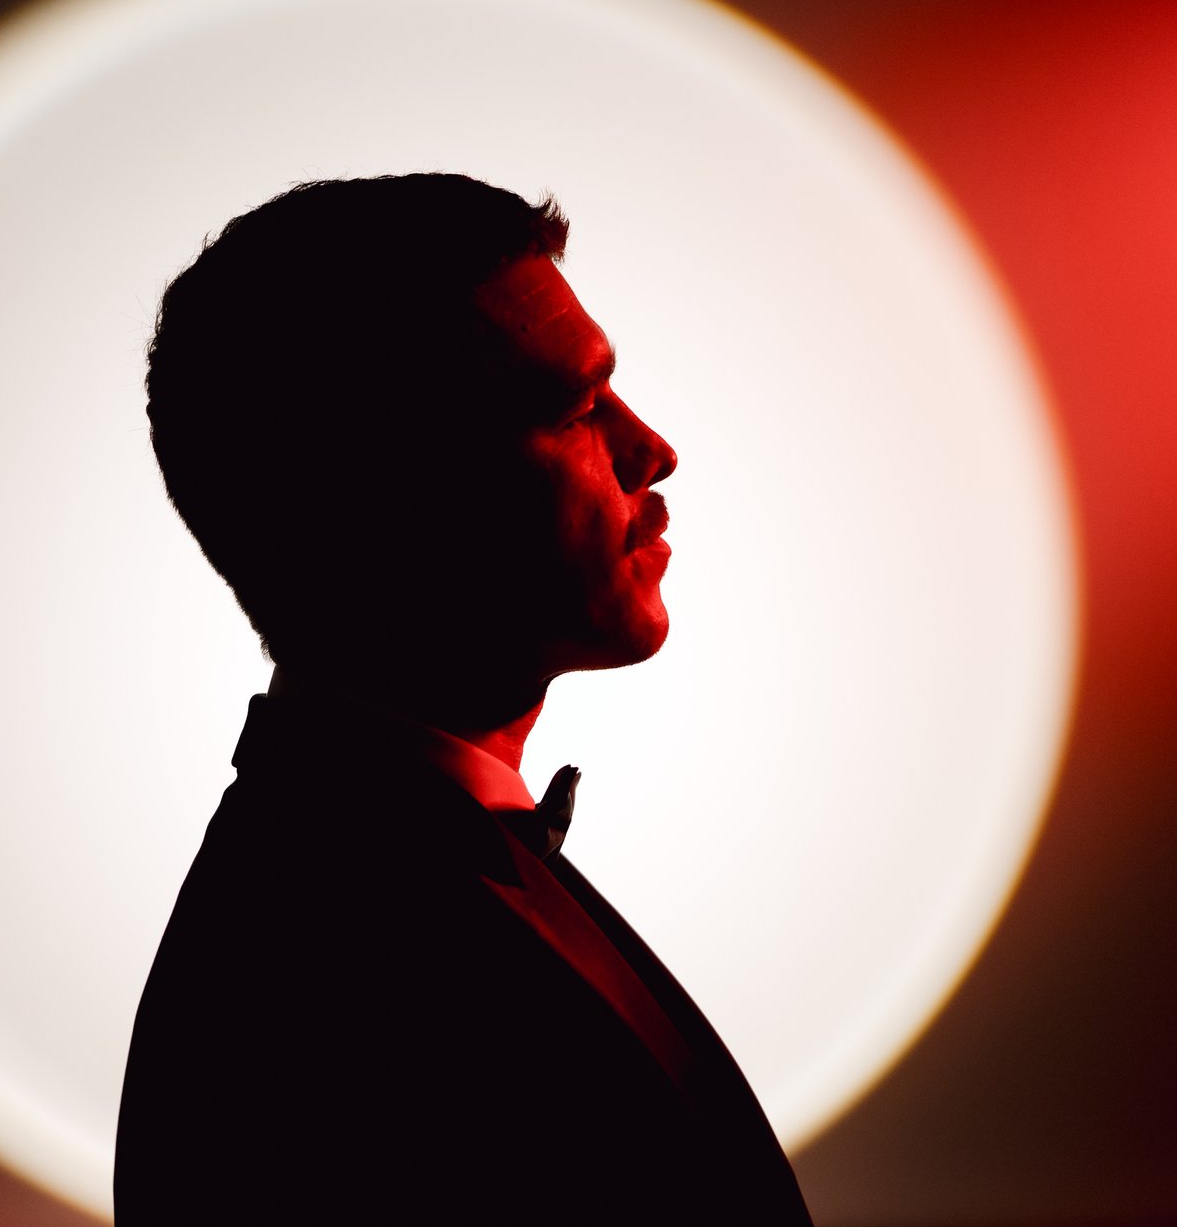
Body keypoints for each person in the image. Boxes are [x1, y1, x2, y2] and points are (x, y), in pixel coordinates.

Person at [114, 174, 813, 1225]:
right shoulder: (314, 981)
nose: (652, 451)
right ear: (390, 497)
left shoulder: (369, 877)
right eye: (579, 406)